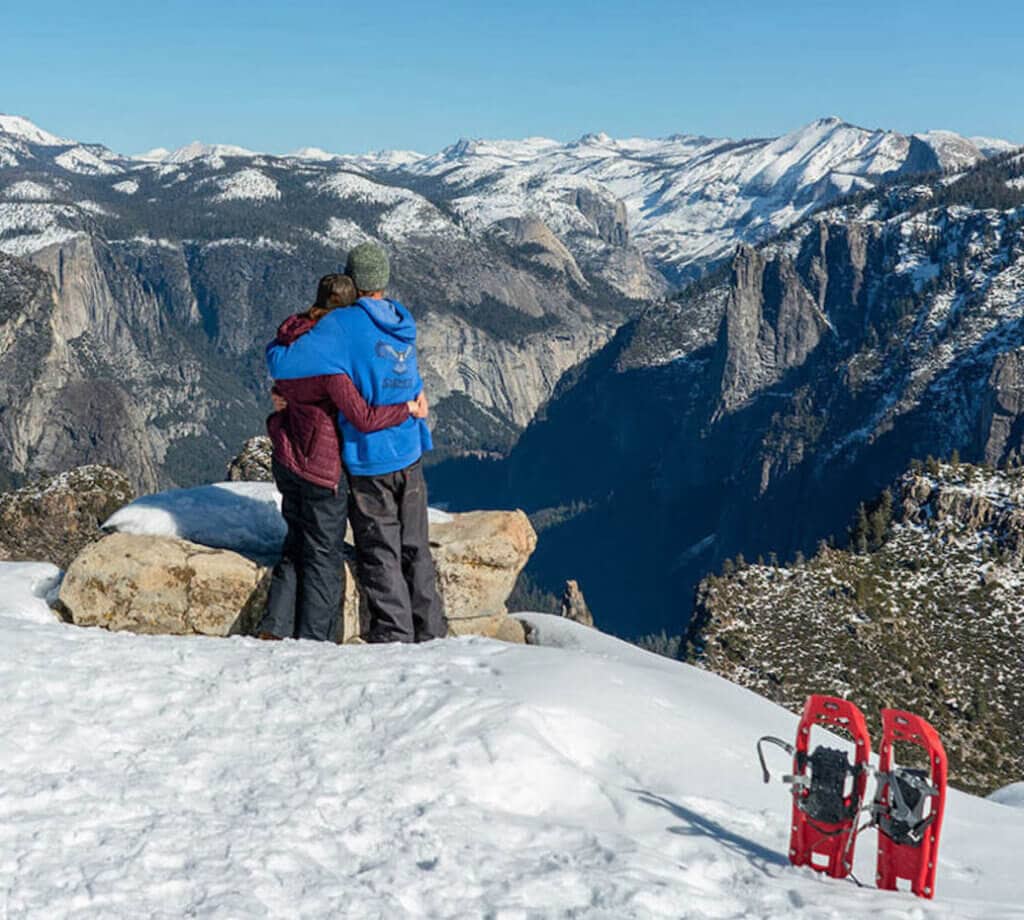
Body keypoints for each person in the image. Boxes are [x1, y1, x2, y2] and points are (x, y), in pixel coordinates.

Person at [266, 244, 447, 643]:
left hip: (371, 460)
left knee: (380, 551)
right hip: (411, 450)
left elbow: (282, 363)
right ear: (382, 281)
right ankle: (433, 636)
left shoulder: (344, 324)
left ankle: (395, 638)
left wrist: (285, 391)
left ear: (352, 280)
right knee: (416, 546)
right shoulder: (401, 320)